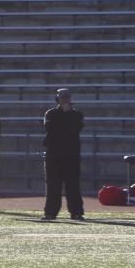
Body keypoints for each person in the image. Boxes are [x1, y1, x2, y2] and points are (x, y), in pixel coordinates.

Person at [42, 88, 84, 220]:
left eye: (67, 97)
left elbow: (76, 128)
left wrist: (67, 116)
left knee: (73, 185)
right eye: (62, 97)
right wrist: (66, 120)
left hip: (71, 154)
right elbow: (51, 128)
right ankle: (50, 212)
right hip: (54, 155)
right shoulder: (50, 113)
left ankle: (76, 212)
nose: (65, 99)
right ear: (57, 99)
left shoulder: (77, 114)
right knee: (53, 185)